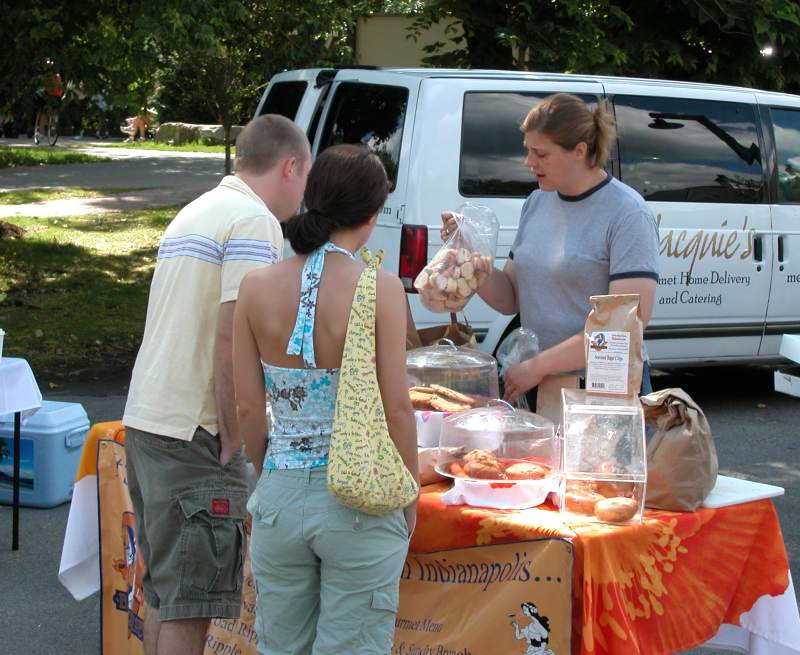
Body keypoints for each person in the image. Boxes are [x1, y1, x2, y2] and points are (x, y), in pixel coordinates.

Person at [122, 113, 311, 655]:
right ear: (290, 166)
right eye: (304, 177)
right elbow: (232, 337)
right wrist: (236, 438)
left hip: (150, 419)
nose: (302, 193)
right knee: (192, 601)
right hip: (197, 432)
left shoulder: (197, 210)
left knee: (166, 596)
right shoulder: (254, 223)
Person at [233, 144, 419, 655]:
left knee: (280, 646)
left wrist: (269, 472)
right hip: (360, 496)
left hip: (280, 493)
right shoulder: (379, 288)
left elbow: (248, 408)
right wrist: (410, 491)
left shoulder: (255, 287)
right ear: (374, 213)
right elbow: (397, 407)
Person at [443, 93, 659, 403]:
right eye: (528, 151)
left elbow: (621, 330)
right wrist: (470, 252)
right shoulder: (537, 201)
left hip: (600, 388)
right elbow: (510, 299)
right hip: (539, 380)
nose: (529, 163)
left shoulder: (627, 213)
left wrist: (539, 366)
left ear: (579, 151)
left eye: (541, 154)